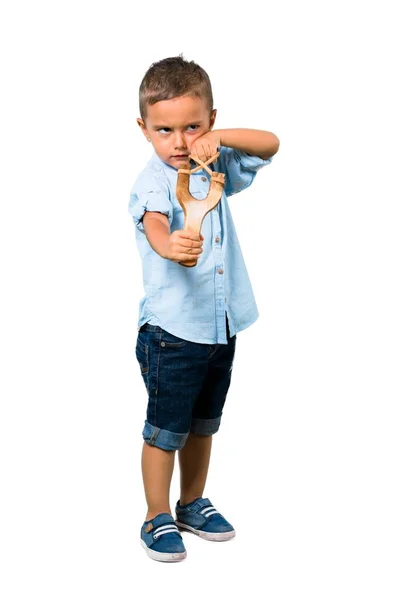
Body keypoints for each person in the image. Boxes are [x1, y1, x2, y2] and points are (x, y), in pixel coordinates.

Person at [128, 55, 279, 562]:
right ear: (144, 129)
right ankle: (156, 515)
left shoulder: (213, 167)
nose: (178, 140)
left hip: (220, 329)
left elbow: (270, 145)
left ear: (210, 121)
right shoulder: (153, 180)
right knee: (165, 429)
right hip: (172, 334)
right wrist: (169, 244)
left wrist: (220, 140)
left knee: (203, 424)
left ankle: (191, 503)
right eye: (164, 129)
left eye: (192, 126)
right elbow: (153, 222)